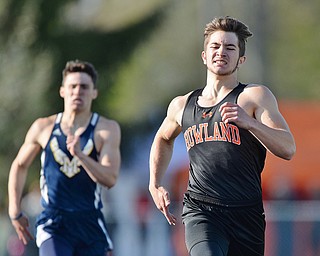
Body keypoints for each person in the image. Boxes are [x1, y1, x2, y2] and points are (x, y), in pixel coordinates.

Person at [149, 16, 296, 256]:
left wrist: (249, 122)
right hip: (201, 209)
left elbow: (288, 148)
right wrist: (155, 183)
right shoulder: (182, 105)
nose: (221, 52)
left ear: (241, 58)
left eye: (230, 47)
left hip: (246, 213)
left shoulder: (254, 97)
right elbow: (163, 139)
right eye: (215, 46)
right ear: (204, 55)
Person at [8, 60, 121, 256]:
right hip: (54, 223)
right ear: (62, 91)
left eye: (84, 87)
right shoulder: (43, 127)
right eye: (72, 86)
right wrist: (14, 209)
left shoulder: (106, 130)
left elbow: (110, 178)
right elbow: (19, 164)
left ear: (94, 92)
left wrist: (80, 155)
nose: (78, 92)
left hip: (90, 223)